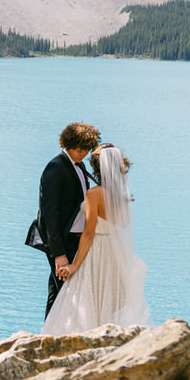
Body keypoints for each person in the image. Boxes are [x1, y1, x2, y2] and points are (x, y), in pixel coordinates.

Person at [40, 143, 150, 335]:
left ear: (98, 168)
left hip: (96, 249)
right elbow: (123, 224)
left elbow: (89, 232)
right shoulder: (122, 195)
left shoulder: (94, 194)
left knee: (86, 298)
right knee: (110, 296)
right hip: (114, 250)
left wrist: (74, 265)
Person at [26, 122, 101, 316]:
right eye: (79, 149)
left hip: (75, 238)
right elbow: (49, 213)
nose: (83, 154)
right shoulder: (56, 168)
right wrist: (58, 253)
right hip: (61, 241)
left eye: (86, 150)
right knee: (67, 292)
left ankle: (48, 334)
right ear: (67, 144)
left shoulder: (79, 165)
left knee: (57, 291)